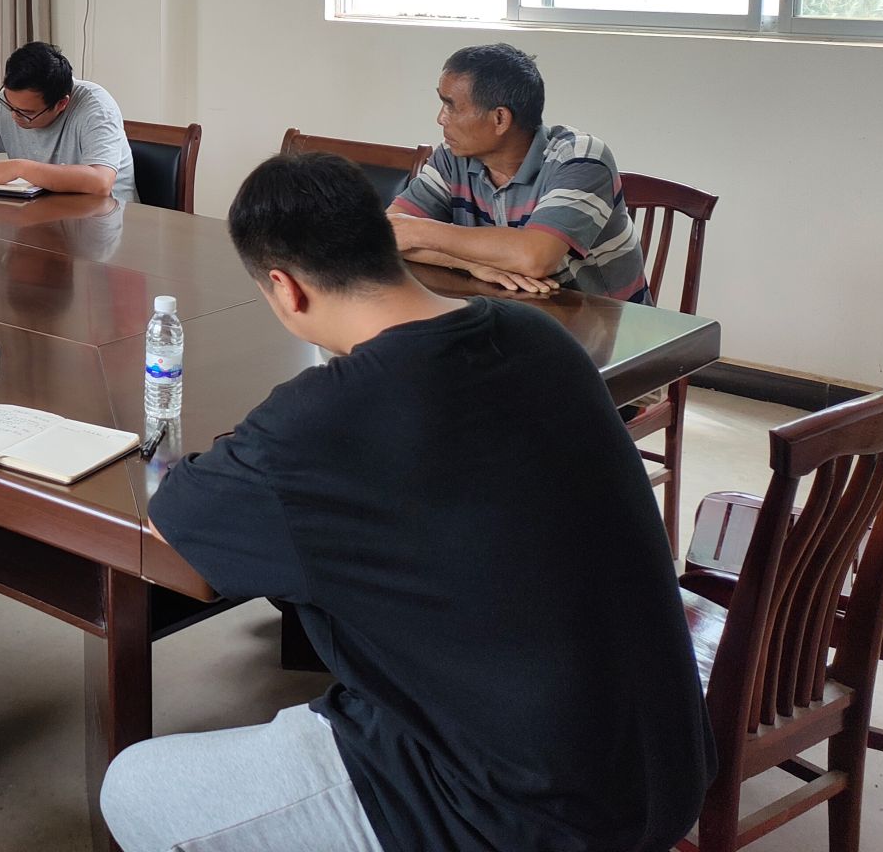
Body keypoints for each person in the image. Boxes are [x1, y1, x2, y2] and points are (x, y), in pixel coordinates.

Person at [100, 153, 714, 852]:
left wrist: (247, 447)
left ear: (285, 289)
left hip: (522, 813)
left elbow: (177, 522)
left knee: (134, 786)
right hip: (672, 766)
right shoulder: (537, 336)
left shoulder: (315, 423)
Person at [389, 42, 649, 301]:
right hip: (517, 312)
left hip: (606, 322)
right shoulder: (452, 157)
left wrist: (417, 231)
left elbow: (535, 258)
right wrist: (470, 264)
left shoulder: (581, 158)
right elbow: (384, 235)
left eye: (451, 106)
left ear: (500, 119)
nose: (441, 118)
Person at [0, 41, 136, 200]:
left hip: (106, 219)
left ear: (61, 104)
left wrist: (19, 168)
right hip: (43, 215)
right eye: (8, 104)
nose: (14, 115)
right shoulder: (5, 103)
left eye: (26, 112)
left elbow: (101, 183)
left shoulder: (96, 108)